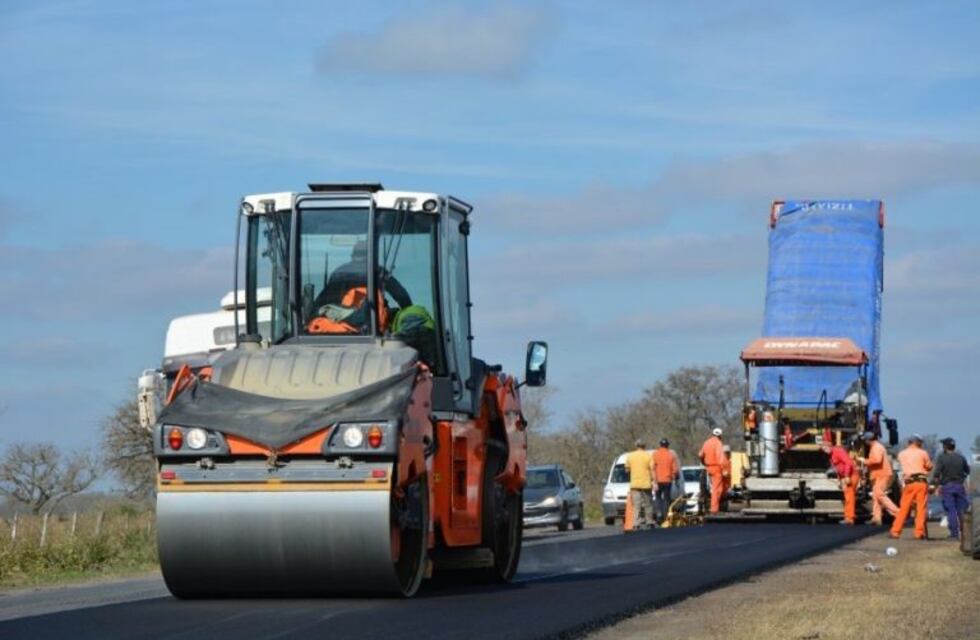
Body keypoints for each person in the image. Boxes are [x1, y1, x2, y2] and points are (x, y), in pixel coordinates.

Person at [890, 434, 934, 540]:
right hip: (921, 482)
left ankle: (895, 531)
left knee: (904, 508)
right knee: (921, 508)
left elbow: (901, 466)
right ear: (918, 442)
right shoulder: (923, 453)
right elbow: (929, 467)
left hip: (908, 483)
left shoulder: (902, 454)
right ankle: (919, 533)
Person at [930, 438, 970, 540]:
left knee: (951, 510)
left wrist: (934, 485)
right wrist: (962, 477)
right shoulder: (961, 457)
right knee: (962, 510)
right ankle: (966, 533)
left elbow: (937, 474)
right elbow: (967, 471)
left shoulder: (942, 458)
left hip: (947, 487)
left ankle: (954, 534)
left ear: (945, 447)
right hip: (959, 486)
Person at [858, 430, 899, 525]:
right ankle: (876, 518)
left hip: (882, 474)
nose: (864, 442)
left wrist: (864, 460)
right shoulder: (875, 447)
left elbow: (876, 460)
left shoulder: (876, 447)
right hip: (878, 474)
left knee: (879, 494)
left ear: (868, 440)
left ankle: (898, 513)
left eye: (865, 440)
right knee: (876, 496)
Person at [821, 441, 858, 525]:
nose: (825, 450)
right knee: (847, 496)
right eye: (823, 449)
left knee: (849, 496)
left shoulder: (838, 451)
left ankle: (850, 518)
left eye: (826, 448)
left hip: (852, 475)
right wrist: (840, 479)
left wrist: (847, 476)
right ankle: (848, 516)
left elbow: (848, 463)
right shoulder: (830, 455)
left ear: (830, 446)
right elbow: (838, 468)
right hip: (845, 476)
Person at [624, 440, 655, 530]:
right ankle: (649, 522)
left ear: (636, 446)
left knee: (636, 505)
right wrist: (654, 481)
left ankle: (636, 523)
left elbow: (627, 470)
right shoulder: (648, 456)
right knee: (648, 504)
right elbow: (652, 469)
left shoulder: (630, 456)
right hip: (646, 483)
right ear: (644, 446)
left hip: (634, 484)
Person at [699, 428, 726, 514]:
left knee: (716, 487)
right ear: (720, 435)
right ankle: (714, 509)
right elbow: (720, 457)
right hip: (716, 468)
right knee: (717, 489)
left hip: (708, 467)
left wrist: (704, 462)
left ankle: (714, 506)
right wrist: (723, 468)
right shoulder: (718, 443)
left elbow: (700, 454)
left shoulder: (706, 442)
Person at [652, 438, 679, 523]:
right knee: (667, 499)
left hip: (657, 480)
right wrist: (676, 478)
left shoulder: (655, 454)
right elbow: (675, 470)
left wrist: (653, 480)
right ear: (667, 445)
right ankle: (665, 515)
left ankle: (659, 513)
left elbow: (652, 468)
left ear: (660, 445)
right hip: (667, 480)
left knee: (658, 498)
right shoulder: (671, 455)